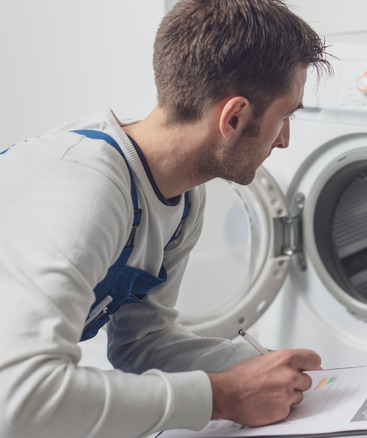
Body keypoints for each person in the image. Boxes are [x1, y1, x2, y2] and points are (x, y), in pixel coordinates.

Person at [0, 0, 331, 436]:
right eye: (284, 116)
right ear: (233, 117)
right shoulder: (87, 190)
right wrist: (223, 395)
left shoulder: (185, 197)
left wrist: (265, 371)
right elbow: (19, 398)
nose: (285, 139)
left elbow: (142, 344)